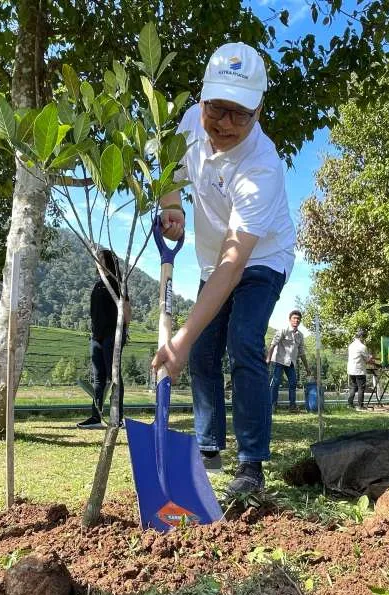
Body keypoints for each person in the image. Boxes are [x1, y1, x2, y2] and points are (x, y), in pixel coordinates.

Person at [151, 42, 295, 496]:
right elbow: (169, 166)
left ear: (259, 110)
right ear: (202, 98)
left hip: (260, 258)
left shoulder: (261, 167)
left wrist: (176, 340)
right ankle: (208, 447)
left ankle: (251, 464)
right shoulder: (191, 122)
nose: (225, 124)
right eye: (218, 109)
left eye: (241, 114)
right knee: (202, 351)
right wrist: (172, 203)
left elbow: (236, 265)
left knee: (243, 341)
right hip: (213, 258)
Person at [78, 249, 129, 429]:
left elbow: (127, 310)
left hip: (112, 335)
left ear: (109, 262)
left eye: (100, 259)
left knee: (113, 375)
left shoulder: (117, 283)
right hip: (96, 336)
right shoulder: (97, 284)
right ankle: (96, 417)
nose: (97, 262)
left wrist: (123, 331)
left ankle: (118, 417)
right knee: (98, 378)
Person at [268, 310, 310, 413]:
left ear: (300, 321)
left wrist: (307, 367)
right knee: (276, 383)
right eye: (294, 318)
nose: (296, 320)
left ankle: (292, 406)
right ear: (290, 319)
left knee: (293, 383)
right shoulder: (283, 330)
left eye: (298, 319)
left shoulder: (300, 335)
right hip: (279, 360)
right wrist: (268, 358)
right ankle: (272, 406)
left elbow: (302, 352)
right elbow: (273, 344)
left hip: (291, 363)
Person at [347, 329, 377, 410]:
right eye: (363, 337)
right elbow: (367, 360)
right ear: (361, 337)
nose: (364, 339)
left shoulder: (351, 345)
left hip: (351, 370)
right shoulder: (362, 347)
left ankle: (349, 404)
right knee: (361, 388)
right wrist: (371, 359)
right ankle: (360, 406)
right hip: (359, 370)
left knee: (353, 387)